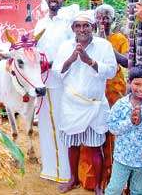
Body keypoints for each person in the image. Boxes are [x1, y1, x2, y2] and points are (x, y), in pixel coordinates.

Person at [53, 10, 117, 195]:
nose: (82, 29)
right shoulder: (66, 46)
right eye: (78, 26)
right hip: (71, 105)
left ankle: (98, 186)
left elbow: (112, 71)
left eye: (86, 25)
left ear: (93, 27)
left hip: (94, 105)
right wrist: (72, 59)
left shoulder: (104, 46)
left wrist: (89, 61)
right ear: (73, 28)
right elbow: (57, 73)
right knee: (72, 145)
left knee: (95, 146)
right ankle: (73, 179)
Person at [76, 4, 129, 190]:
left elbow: (128, 62)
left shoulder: (119, 38)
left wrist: (107, 47)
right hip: (92, 93)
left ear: (112, 20)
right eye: (99, 17)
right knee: (93, 136)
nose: (102, 20)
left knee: (112, 133)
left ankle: (113, 177)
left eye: (106, 17)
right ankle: (90, 178)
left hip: (115, 91)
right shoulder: (87, 39)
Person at [33, 0, 76, 183]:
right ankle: (50, 168)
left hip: (64, 81)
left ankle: (67, 172)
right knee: (44, 124)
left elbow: (72, 50)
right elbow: (34, 51)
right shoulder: (40, 24)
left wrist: (51, 63)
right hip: (42, 81)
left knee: (62, 124)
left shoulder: (69, 23)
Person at [105, 66, 142, 195]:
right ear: (129, 83)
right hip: (122, 158)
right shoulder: (121, 104)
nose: (141, 89)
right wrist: (130, 122)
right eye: (137, 84)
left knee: (139, 191)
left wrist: (140, 123)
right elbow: (112, 128)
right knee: (114, 189)